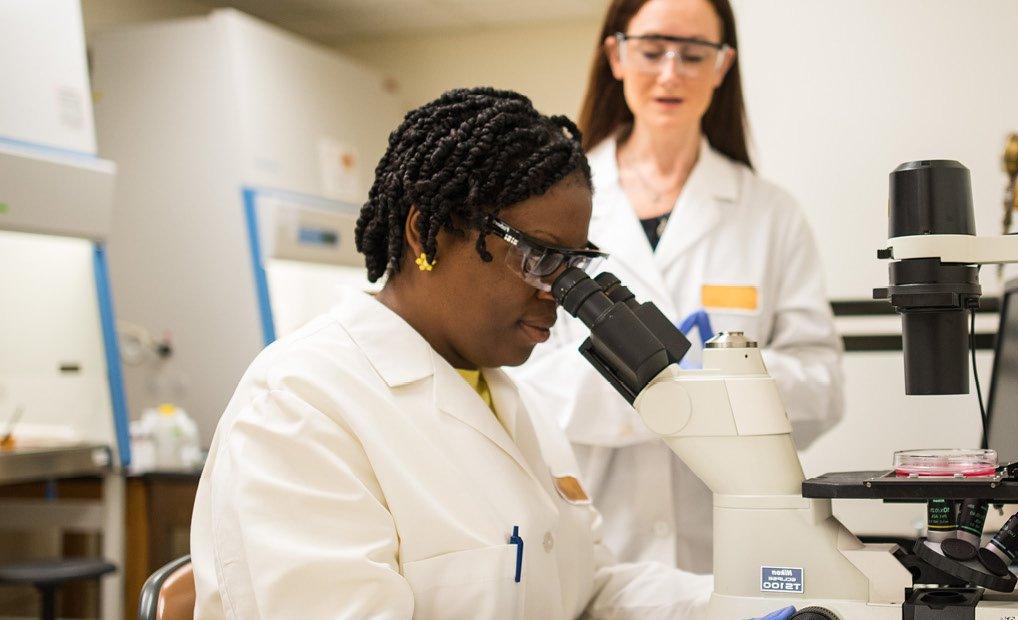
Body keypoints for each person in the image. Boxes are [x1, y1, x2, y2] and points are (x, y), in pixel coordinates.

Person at [189, 88, 709, 618]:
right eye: (538, 257)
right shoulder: (299, 406)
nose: (557, 291)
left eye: (571, 265)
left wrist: (733, 603)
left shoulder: (505, 395)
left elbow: (585, 592)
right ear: (426, 232)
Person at [511, 0, 844, 573]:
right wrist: (656, 387)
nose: (670, 73)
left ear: (722, 66)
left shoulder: (769, 213)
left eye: (693, 55)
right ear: (616, 54)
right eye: (651, 50)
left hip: (735, 546)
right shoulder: (548, 202)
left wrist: (721, 379)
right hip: (593, 538)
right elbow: (520, 377)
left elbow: (821, 386)